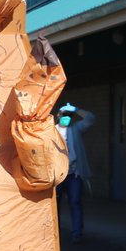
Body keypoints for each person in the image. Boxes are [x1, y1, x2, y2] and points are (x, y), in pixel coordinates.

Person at [56, 102, 95, 242]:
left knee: (75, 202)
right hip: (57, 175)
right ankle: (55, 235)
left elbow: (90, 118)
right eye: (64, 115)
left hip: (74, 174)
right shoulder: (52, 131)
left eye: (69, 115)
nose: (66, 118)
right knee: (54, 205)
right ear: (58, 116)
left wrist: (76, 109)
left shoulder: (75, 129)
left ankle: (77, 234)